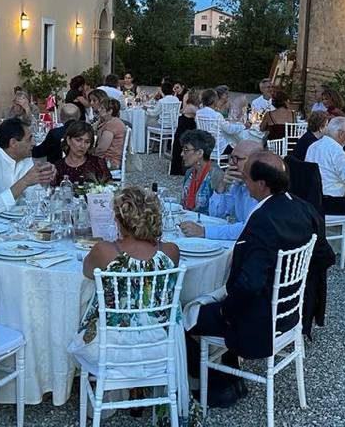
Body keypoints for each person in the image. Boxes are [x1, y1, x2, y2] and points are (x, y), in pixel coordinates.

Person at [186, 152, 320, 407]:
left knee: (184, 314)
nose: (244, 183)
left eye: (247, 178)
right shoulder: (302, 207)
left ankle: (217, 384)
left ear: (261, 184)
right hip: (288, 312)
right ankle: (228, 367)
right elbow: (321, 253)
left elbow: (249, 285)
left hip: (258, 321)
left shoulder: (262, 221)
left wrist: (225, 311)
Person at [71, 187, 181, 399]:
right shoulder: (171, 251)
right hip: (160, 345)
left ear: (120, 219)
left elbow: (87, 272)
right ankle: (138, 389)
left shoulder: (105, 251)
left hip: (111, 348)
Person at [305, 116, 345, 247]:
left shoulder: (314, 145)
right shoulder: (336, 150)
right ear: (341, 134)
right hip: (329, 201)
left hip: (311, 197)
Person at [179, 140, 261, 239]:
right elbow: (217, 213)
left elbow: (248, 228)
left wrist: (204, 231)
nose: (231, 163)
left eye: (236, 159)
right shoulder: (238, 183)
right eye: (231, 157)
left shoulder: (262, 189)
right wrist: (221, 187)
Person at [51, 120, 112, 186]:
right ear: (68, 140)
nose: (82, 145)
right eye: (78, 140)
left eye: (87, 142)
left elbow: (110, 187)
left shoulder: (97, 163)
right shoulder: (58, 167)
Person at [179, 129, 224, 214]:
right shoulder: (189, 173)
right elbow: (182, 203)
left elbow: (219, 212)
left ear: (200, 153)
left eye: (186, 149)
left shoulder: (216, 175)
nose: (181, 154)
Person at [196, 88, 249, 155]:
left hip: (206, 146)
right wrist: (243, 126)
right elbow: (230, 130)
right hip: (219, 148)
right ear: (214, 100)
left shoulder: (198, 113)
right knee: (242, 147)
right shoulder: (217, 115)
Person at [92, 97, 127, 170]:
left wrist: (90, 155)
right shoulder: (111, 121)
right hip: (109, 159)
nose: (99, 110)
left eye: (102, 108)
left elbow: (102, 148)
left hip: (109, 161)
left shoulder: (112, 125)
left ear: (110, 111)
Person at [170, 90, 199, 176]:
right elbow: (200, 113)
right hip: (184, 132)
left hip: (186, 130)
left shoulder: (191, 106)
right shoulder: (191, 107)